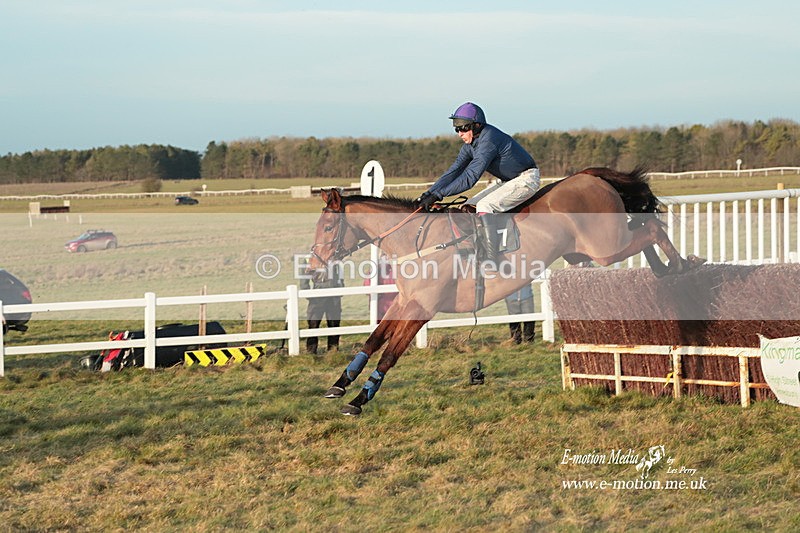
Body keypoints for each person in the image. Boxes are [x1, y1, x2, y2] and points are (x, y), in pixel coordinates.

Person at [414, 102, 539, 266]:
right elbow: (453, 171)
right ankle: (475, 249)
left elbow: (469, 178)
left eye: (463, 128)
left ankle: (492, 259)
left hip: (526, 179)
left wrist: (439, 195)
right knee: (468, 207)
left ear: (477, 125)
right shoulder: (470, 145)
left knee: (485, 206)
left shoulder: (489, 141)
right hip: (507, 181)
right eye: (456, 129)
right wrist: (430, 193)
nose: (460, 133)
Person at [299, 257, 344, 354]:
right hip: (317, 294)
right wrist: (307, 293)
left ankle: (333, 352)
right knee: (313, 323)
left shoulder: (335, 256)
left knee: (334, 324)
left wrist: (340, 289)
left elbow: (339, 274)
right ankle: (311, 352)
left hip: (334, 295)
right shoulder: (308, 258)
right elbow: (304, 278)